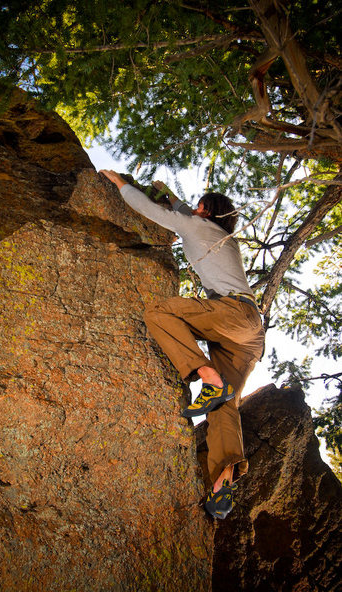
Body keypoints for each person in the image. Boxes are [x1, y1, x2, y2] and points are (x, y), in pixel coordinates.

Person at [100, 169, 265, 519]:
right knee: (224, 407)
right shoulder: (217, 233)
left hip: (232, 314)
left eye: (197, 207)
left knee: (160, 313)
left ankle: (207, 376)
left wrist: (119, 183)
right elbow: (186, 212)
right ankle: (223, 481)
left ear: (204, 210)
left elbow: (155, 213)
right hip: (248, 334)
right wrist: (171, 194)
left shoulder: (198, 226)